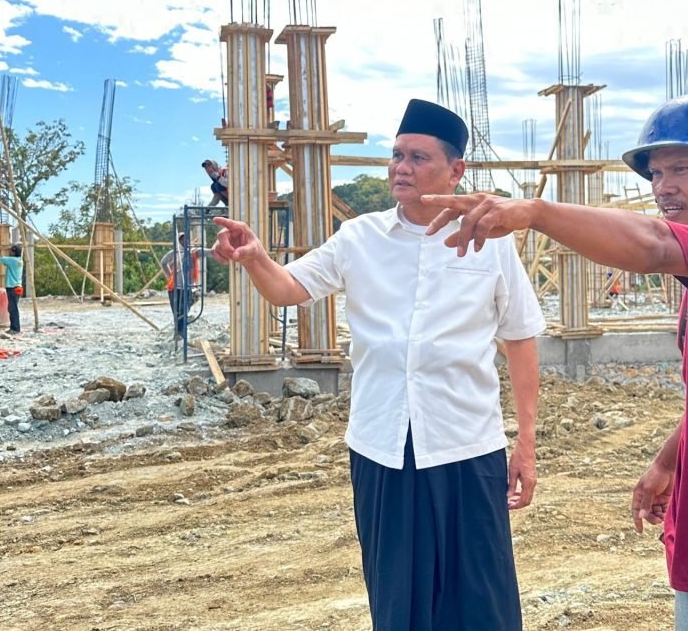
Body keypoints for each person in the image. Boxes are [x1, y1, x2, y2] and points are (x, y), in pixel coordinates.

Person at [422, 95, 688, 631]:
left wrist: (534, 211)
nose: (662, 186)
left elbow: (650, 245)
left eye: (682, 169)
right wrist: (670, 460)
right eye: (655, 173)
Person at [211, 99, 545, 629]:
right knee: (398, 599)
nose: (400, 168)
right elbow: (288, 289)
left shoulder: (492, 243)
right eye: (396, 156)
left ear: (456, 170)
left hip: (467, 444)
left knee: (482, 599)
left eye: (417, 157)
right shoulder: (360, 238)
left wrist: (525, 441)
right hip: (383, 446)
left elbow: (522, 340)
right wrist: (255, 256)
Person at [160, 232, 213, 337]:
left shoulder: (193, 253)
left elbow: (206, 252)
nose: (184, 241)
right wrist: (169, 274)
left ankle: (181, 333)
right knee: (176, 312)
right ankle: (178, 333)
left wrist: (215, 251)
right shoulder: (174, 253)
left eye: (186, 239)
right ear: (178, 241)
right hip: (174, 287)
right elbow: (163, 262)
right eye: (182, 239)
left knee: (184, 311)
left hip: (187, 287)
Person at [0, 244, 24, 334]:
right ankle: (14, 327)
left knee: (13, 309)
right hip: (17, 287)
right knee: (12, 308)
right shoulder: (19, 260)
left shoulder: (13, 260)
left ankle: (15, 329)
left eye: (10, 251)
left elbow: (1, 258)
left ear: (14, 253)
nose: (9, 252)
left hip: (12, 287)